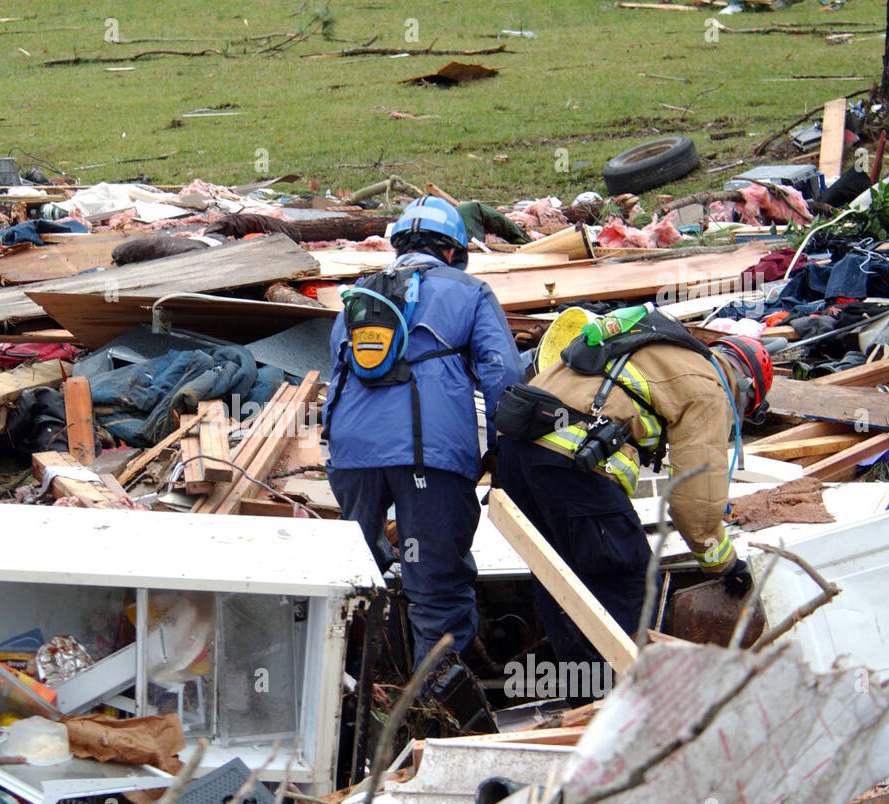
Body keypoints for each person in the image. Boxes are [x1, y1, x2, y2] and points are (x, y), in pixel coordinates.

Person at [495, 312, 773, 670]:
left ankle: (585, 700)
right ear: (745, 389)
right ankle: (629, 701)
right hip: (571, 468)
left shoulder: (656, 346)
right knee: (631, 585)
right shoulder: (711, 387)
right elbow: (693, 500)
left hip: (516, 454)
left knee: (560, 581)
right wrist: (723, 562)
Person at [323, 196, 523, 669]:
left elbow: (336, 372)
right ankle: (432, 714)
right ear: (453, 251)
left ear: (398, 247)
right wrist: (503, 453)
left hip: (352, 456)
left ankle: (349, 690)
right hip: (429, 457)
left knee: (355, 571)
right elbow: (503, 377)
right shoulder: (471, 292)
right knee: (437, 588)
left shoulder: (360, 296)